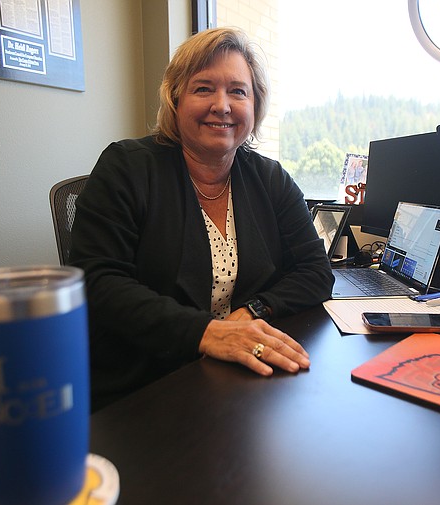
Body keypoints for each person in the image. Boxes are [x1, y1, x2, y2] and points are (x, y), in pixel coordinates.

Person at [70, 27, 334, 411]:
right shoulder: (126, 167)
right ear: (176, 100)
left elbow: (316, 271)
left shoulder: (270, 178)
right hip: (143, 385)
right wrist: (206, 333)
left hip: (237, 378)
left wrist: (253, 313)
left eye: (238, 91)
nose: (222, 105)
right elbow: (97, 281)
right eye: (204, 88)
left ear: (255, 105)